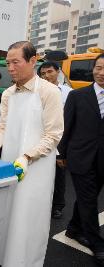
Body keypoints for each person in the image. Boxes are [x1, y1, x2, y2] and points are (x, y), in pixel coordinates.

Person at [0, 41, 63, 267]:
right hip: (9, 165)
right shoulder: (7, 94)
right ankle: (4, 260)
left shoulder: (49, 92)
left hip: (36, 168)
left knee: (28, 219)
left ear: (33, 60)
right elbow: (2, 128)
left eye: (16, 62)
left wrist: (27, 157)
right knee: (7, 217)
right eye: (8, 63)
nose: (11, 68)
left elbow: (53, 135)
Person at [58, 53, 104, 266]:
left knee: (90, 197)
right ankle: (97, 243)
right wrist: (62, 153)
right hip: (80, 157)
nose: (101, 73)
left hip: (102, 160)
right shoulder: (78, 96)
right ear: (93, 69)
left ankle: (74, 229)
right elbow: (66, 127)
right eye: (98, 68)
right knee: (89, 200)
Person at [38, 61, 72, 219]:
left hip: (60, 141)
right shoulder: (37, 91)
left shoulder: (68, 93)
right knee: (41, 174)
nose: (46, 76)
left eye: (50, 72)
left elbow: (71, 120)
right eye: (43, 73)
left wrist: (64, 148)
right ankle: (41, 203)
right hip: (41, 139)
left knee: (59, 176)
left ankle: (57, 206)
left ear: (58, 71)